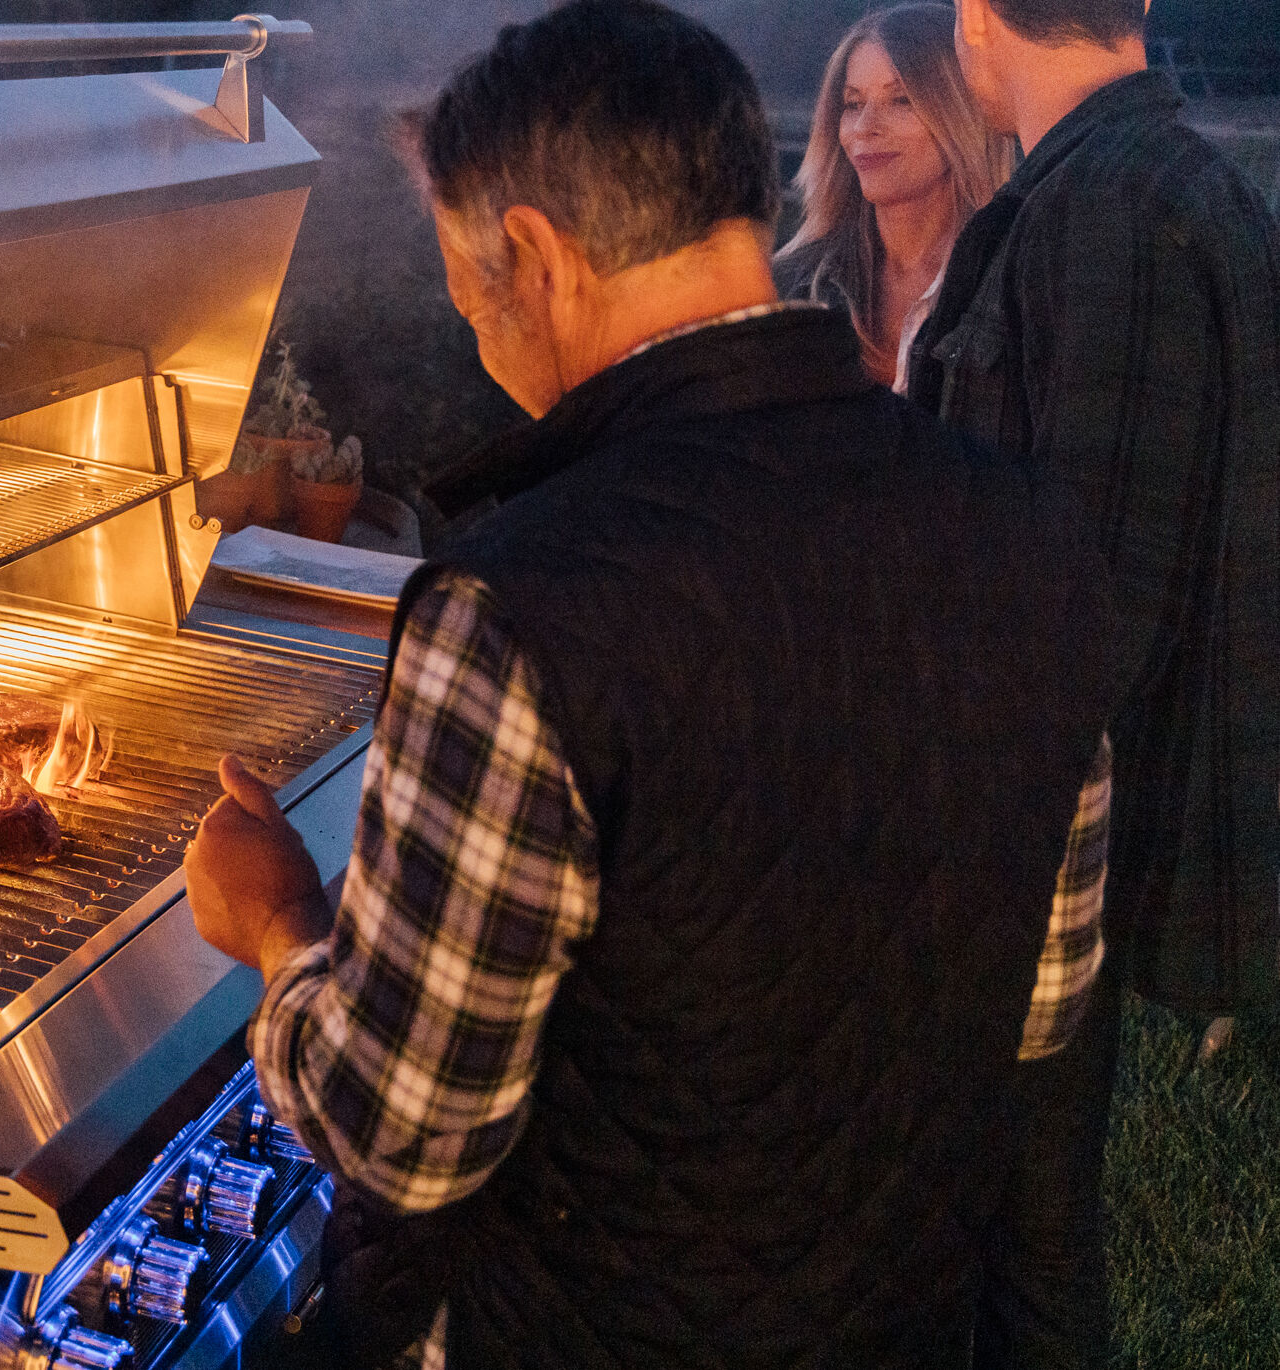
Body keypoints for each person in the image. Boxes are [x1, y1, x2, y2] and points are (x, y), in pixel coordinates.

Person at [183, 2, 1118, 1366]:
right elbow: (1040, 1004)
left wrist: (277, 925)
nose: (469, 320)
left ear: (532, 254)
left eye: (462, 271)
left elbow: (401, 1132)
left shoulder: (521, 607)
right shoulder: (1029, 533)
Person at [907, 0, 1280, 1364]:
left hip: (1048, 839)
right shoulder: (1143, 181)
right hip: (1070, 820)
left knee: (1019, 1240)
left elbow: (1091, 600)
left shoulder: (1111, 208)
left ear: (978, 21)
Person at [776, 4, 1016, 389]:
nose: (864, 128)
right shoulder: (795, 282)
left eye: (901, 100)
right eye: (853, 104)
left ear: (960, 110)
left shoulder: (1014, 278)